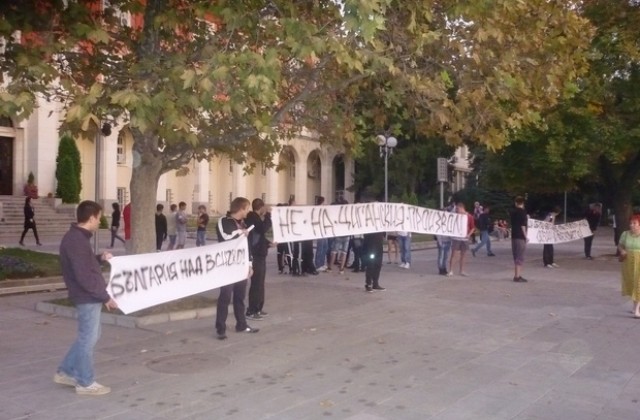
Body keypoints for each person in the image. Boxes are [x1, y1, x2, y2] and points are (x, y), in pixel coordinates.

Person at [53, 200, 118, 396]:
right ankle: (85, 382)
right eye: (99, 218)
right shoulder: (76, 241)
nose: (100, 222)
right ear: (91, 218)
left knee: (89, 337)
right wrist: (105, 297)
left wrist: (99, 258)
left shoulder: (78, 238)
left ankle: (65, 371)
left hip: (87, 295)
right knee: (87, 339)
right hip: (87, 296)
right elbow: (84, 276)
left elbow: (84, 264)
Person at [215, 197, 259, 340]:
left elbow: (247, 246)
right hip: (227, 266)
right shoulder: (224, 221)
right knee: (225, 297)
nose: (248, 211)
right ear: (241, 208)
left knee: (240, 296)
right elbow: (225, 237)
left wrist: (250, 264)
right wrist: (241, 233)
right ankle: (220, 328)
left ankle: (241, 324)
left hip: (240, 266)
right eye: (247, 208)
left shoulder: (243, 224)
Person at [245, 198, 273, 320]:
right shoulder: (252, 217)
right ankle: (251, 310)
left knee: (260, 283)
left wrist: (268, 243)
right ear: (261, 207)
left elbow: (259, 235)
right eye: (264, 208)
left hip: (260, 254)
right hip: (256, 255)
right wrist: (268, 216)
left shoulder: (255, 218)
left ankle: (258, 308)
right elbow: (262, 229)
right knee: (256, 283)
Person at [618, 214, 640, 318]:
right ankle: (635, 305)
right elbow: (620, 245)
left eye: (634, 223)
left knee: (638, 284)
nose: (632, 225)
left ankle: (636, 310)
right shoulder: (625, 234)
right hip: (628, 262)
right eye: (631, 223)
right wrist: (622, 251)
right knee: (632, 284)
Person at [448, 202, 474, 276]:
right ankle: (451, 270)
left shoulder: (469, 216)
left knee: (463, 255)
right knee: (454, 254)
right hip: (456, 238)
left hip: (465, 238)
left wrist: (469, 235)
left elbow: (472, 227)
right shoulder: (456, 216)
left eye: (457, 209)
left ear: (462, 208)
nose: (456, 210)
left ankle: (462, 270)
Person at [510, 196, 529, 283]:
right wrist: (526, 236)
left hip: (514, 236)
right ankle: (517, 276)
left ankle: (516, 274)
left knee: (516, 255)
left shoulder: (513, 212)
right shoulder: (523, 213)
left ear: (515, 203)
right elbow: (523, 226)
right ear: (523, 203)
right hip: (520, 237)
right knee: (520, 256)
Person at [314, 196, 330, 272]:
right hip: (320, 231)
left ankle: (322, 263)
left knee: (325, 247)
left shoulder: (324, 209)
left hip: (324, 231)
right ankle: (318, 264)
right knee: (320, 248)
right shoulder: (318, 209)